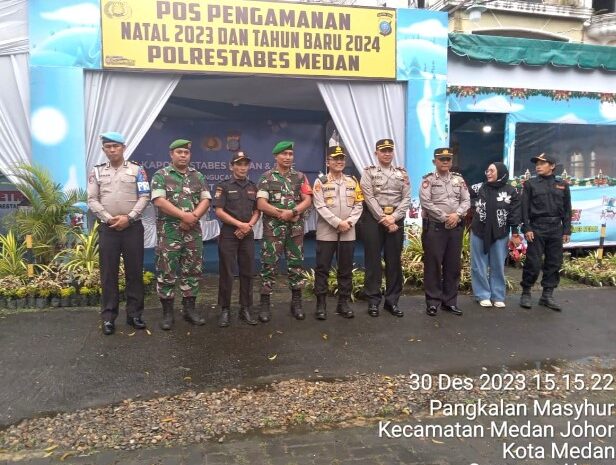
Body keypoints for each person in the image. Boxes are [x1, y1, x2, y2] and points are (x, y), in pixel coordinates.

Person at [87, 131, 150, 336]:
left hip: (132, 227)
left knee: (134, 272)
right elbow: (92, 199)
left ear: (123, 147)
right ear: (103, 150)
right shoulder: (97, 172)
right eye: (108, 147)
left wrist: (128, 217)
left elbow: (144, 196)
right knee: (108, 274)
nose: (112, 150)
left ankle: (134, 315)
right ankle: (108, 317)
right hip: (108, 229)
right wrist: (108, 218)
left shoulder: (137, 170)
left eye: (116, 146)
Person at [151, 139, 211, 330]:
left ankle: (189, 310)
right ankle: (168, 313)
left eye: (186, 152)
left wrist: (192, 217)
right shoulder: (161, 175)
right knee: (166, 272)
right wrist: (183, 216)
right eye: (179, 152)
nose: (183, 155)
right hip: (169, 232)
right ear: (171, 154)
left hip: (193, 231)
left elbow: (205, 200)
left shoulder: (197, 176)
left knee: (192, 271)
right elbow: (159, 201)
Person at [256, 140, 313, 322]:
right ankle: (265, 303)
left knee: (296, 265)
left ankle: (296, 302)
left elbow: (307, 200)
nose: (288, 157)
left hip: (295, 231)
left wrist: (294, 212)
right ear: (276, 156)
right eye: (284, 154)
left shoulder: (300, 177)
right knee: (269, 265)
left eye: (290, 154)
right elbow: (261, 204)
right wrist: (282, 214)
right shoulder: (266, 177)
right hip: (273, 231)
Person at [360, 139, 410, 318]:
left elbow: (406, 198)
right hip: (375, 221)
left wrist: (394, 218)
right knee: (373, 261)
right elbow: (369, 197)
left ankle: (392, 301)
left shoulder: (401, 173)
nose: (387, 153)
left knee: (394, 261)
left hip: (396, 220)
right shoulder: (369, 172)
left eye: (390, 150)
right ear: (376, 153)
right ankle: (373, 301)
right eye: (383, 151)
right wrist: (385, 219)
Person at [312, 146, 364, 320]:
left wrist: (348, 222)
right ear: (328, 161)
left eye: (342, 158)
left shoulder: (352, 181)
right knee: (322, 268)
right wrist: (337, 222)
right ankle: (321, 304)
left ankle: (343, 303)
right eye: (335, 158)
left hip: (348, 231)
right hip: (327, 232)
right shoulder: (321, 181)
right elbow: (320, 206)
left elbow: (359, 204)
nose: (339, 161)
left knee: (346, 269)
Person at [420, 147, 471, 317]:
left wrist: (457, 214)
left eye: (448, 159)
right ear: (435, 161)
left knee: (452, 266)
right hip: (436, 228)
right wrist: (444, 216)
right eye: (441, 159)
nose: (445, 162)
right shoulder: (428, 180)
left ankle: (450, 302)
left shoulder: (458, 179)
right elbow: (426, 202)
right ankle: (433, 302)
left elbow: (466, 200)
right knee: (433, 266)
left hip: (455, 228)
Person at [213, 151, 260, 327]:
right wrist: (239, 225)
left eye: (245, 164)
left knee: (248, 271)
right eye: (239, 164)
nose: (242, 167)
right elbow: (218, 211)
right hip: (229, 234)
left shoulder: (253, 187)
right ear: (231, 166)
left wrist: (248, 226)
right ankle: (225, 309)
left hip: (247, 234)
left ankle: (245, 308)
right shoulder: (223, 186)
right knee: (227, 272)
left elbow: (257, 210)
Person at [519, 153, 572, 311]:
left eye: (542, 163)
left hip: (556, 228)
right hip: (537, 228)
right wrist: (527, 228)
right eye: (537, 163)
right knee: (533, 263)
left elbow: (567, 209)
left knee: (554, 263)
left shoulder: (562, 184)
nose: (538, 166)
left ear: (552, 166)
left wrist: (567, 230)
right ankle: (526, 292)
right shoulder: (530, 184)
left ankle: (547, 295)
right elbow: (524, 208)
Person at [469, 162, 522, 308]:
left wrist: (515, 233)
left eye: (492, 171)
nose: (488, 173)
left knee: (497, 264)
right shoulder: (479, 187)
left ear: (501, 172)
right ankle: (482, 295)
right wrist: (473, 204)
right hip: (479, 231)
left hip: (500, 232)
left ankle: (498, 296)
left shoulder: (511, 191)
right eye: (487, 171)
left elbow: (515, 213)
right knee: (478, 264)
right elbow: (462, 194)